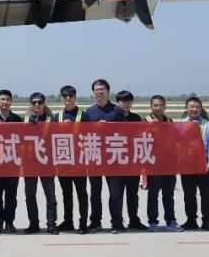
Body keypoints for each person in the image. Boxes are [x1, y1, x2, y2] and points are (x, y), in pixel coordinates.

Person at [84, 79, 121, 232]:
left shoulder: (117, 110)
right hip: (95, 156)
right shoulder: (89, 112)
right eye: (97, 89)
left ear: (108, 91)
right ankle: (95, 221)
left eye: (102, 89)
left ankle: (117, 222)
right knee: (95, 192)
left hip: (112, 155)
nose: (100, 92)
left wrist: (110, 127)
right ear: (93, 92)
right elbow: (84, 133)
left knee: (115, 193)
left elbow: (126, 133)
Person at [107, 91, 146, 234]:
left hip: (132, 162)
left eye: (128, 101)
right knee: (116, 195)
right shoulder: (111, 118)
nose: (125, 103)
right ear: (118, 102)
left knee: (132, 194)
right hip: (115, 161)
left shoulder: (136, 118)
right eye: (122, 101)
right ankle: (116, 223)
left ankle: (134, 220)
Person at [51, 85, 89, 234]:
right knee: (66, 194)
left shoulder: (83, 115)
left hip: (79, 161)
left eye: (71, 96)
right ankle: (68, 221)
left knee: (81, 193)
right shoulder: (57, 117)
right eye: (65, 96)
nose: (68, 99)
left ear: (75, 97)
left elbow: (89, 135)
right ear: (61, 98)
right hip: (64, 161)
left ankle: (83, 223)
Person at [145, 95, 183, 232]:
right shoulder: (145, 121)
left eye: (161, 105)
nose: (158, 108)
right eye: (155, 105)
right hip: (153, 165)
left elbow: (176, 139)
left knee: (168, 195)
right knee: (153, 195)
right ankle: (153, 222)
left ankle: (170, 221)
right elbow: (138, 140)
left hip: (169, 164)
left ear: (165, 106)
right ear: (151, 106)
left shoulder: (169, 121)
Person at [180, 96, 209, 230]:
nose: (194, 109)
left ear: (201, 109)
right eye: (191, 107)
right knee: (189, 195)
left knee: (207, 195)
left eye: (197, 107)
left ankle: (207, 221)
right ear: (186, 108)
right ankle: (191, 220)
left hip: (205, 165)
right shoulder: (180, 125)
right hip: (187, 166)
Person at [23, 92, 59, 235]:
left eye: (39, 102)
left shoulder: (53, 119)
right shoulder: (24, 119)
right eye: (34, 102)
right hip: (30, 162)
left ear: (44, 103)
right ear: (30, 104)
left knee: (50, 196)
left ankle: (51, 224)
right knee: (30, 196)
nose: (36, 105)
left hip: (47, 162)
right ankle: (33, 224)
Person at [0, 90, 23, 234]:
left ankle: (9, 222)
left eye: (7, 99)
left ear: (11, 102)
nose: (4, 102)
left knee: (11, 196)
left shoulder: (17, 119)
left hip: (12, 163)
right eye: (2, 99)